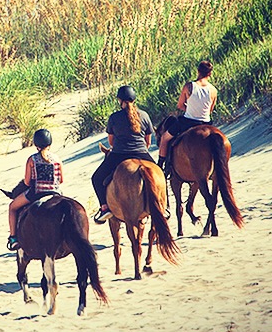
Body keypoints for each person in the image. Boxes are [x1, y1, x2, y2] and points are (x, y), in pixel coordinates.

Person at [91, 85, 155, 224]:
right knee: (159, 174)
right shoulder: (144, 115)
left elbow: (111, 141)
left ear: (120, 101)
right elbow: (148, 141)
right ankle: (164, 206)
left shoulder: (114, 117)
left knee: (96, 178)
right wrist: (141, 149)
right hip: (141, 153)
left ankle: (104, 208)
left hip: (119, 154)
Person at [6, 128, 64, 251]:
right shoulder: (57, 159)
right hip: (55, 192)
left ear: (36, 144)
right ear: (50, 143)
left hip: (37, 192)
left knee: (12, 207)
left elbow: (27, 182)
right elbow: (61, 180)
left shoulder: (32, 159)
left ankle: (13, 238)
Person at [157, 60, 218, 172]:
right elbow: (210, 110)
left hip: (188, 122)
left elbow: (180, 105)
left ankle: (161, 166)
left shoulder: (189, 86)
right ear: (210, 74)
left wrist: (189, 108)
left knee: (165, 138)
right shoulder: (213, 90)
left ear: (198, 71)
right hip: (206, 123)